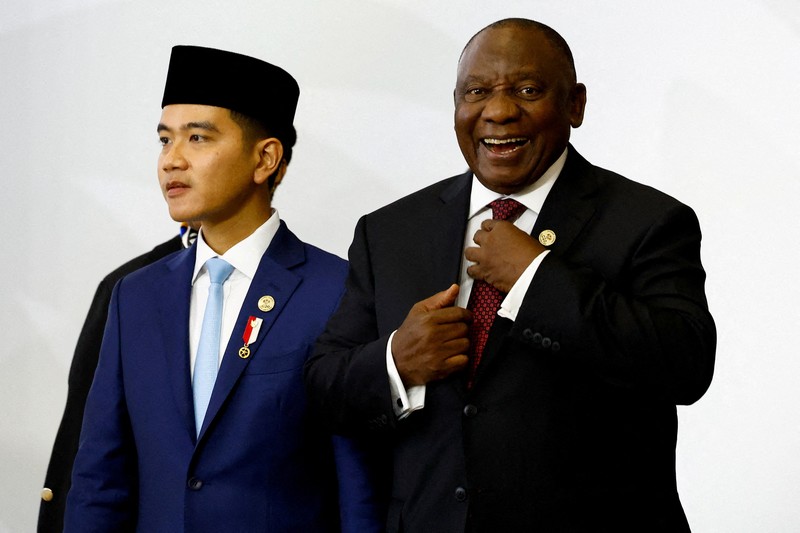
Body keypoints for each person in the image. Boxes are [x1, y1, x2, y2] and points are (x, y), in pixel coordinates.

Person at [305, 18, 716, 532]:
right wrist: (395, 362)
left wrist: (534, 279)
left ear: (575, 105)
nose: (498, 111)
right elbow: (323, 387)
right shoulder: (389, 232)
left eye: (527, 90)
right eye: (477, 92)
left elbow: (685, 365)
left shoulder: (649, 221)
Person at [65, 45, 383, 532]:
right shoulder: (135, 296)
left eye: (197, 138)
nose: (172, 160)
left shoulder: (336, 290)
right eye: (164, 140)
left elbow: (358, 488)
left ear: (266, 159)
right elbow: (99, 479)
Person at [38, 225, 195, 533]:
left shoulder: (309, 285)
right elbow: (89, 436)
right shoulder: (129, 288)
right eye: (161, 169)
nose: (170, 172)